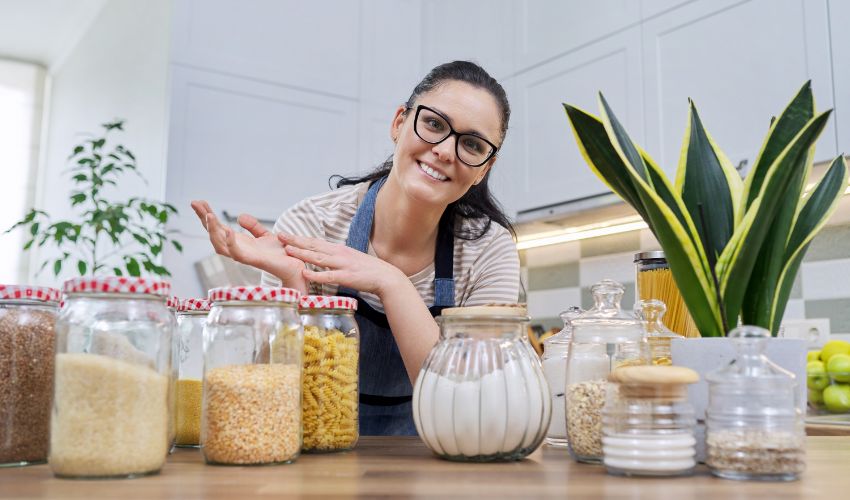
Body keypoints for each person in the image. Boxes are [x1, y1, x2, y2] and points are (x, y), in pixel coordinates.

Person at [191, 61, 520, 436]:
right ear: (400, 122)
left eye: (473, 144)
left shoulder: (490, 252)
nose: (445, 150)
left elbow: (471, 408)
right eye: (433, 124)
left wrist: (391, 283)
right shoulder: (312, 226)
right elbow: (278, 395)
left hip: (440, 459)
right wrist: (292, 284)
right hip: (321, 456)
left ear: (483, 169)